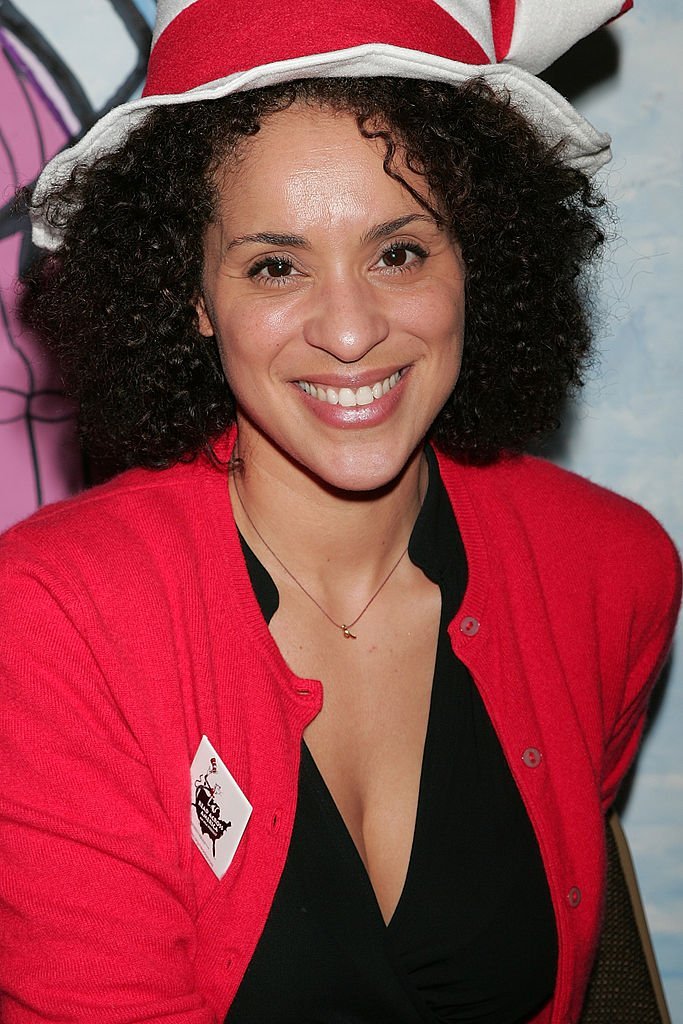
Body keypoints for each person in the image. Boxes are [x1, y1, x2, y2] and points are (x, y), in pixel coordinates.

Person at [1, 2, 680, 1022]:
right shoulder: (55, 621)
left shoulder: (608, 568)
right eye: (275, 264)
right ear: (192, 293)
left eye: (397, 252)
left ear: (475, 258)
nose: (352, 329)